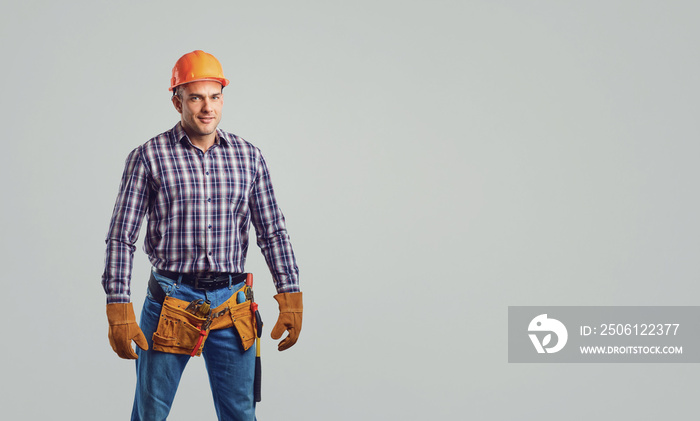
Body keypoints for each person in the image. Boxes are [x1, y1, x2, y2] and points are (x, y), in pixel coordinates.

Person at [102, 50, 303, 421]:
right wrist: (118, 307)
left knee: (241, 413)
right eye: (195, 97)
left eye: (214, 96)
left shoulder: (248, 157)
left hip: (232, 304)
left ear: (223, 98)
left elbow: (273, 231)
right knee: (150, 413)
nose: (206, 107)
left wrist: (290, 294)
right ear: (177, 100)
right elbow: (121, 237)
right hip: (170, 302)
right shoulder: (149, 157)